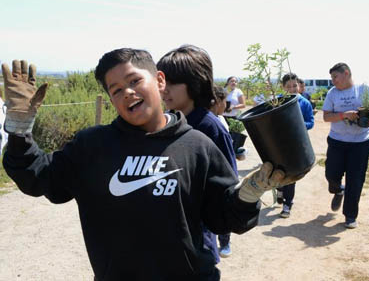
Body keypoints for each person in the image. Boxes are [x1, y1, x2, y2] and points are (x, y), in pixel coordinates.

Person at [2, 52, 294, 280]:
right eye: (115, 90)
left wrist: (245, 197)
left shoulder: (198, 146)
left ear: (159, 81)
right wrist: (18, 132)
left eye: (134, 81)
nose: (127, 92)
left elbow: (223, 217)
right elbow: (39, 176)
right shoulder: (91, 146)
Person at [157, 45, 237, 260]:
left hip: (196, 239)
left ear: (195, 83)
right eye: (161, 81)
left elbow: (227, 184)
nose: (163, 89)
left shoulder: (210, 127)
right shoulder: (164, 122)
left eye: (172, 82)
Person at [322, 62, 369, 229]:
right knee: (331, 174)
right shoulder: (332, 93)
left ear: (346, 73)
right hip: (337, 141)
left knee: (355, 179)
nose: (333, 81)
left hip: (360, 143)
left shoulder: (364, 89)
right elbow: (326, 117)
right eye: (332, 78)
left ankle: (350, 215)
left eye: (335, 77)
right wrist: (344, 114)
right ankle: (338, 190)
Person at [276, 73, 314, 218]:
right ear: (283, 87)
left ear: (299, 86)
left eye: (295, 85)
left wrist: (299, 124)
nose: (292, 89)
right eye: (288, 86)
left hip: (296, 143)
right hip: (279, 143)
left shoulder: (305, 103)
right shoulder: (277, 101)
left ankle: (287, 205)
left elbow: (310, 122)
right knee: (278, 172)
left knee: (292, 174)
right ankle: (279, 188)